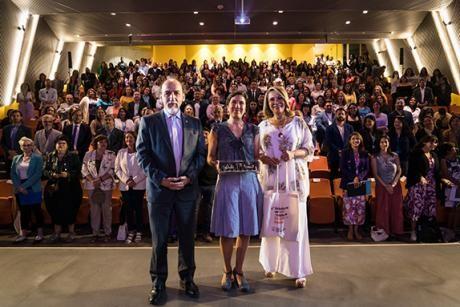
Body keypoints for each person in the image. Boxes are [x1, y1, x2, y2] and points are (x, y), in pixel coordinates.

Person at [136, 78, 206, 305]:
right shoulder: (149, 122)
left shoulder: (195, 123)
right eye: (167, 93)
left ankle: (187, 279)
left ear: (183, 95)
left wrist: (189, 178)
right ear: (160, 97)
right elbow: (143, 156)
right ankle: (158, 283)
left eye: (176, 92)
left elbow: (200, 156)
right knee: (159, 240)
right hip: (160, 191)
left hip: (187, 190)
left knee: (187, 238)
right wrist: (162, 180)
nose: (172, 97)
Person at [258, 86, 314, 288]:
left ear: (286, 99)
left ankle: (298, 270)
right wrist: (263, 157)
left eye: (279, 98)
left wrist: (292, 154)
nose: (275, 102)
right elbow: (257, 152)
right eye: (271, 99)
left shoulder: (298, 123)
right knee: (272, 223)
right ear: (267, 103)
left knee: (294, 225)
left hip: (294, 181)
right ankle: (271, 264)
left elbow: (309, 148)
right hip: (272, 181)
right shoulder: (263, 125)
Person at [207, 91, 262, 292]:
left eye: (241, 103)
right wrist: (216, 163)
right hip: (227, 181)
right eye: (234, 103)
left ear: (245, 107)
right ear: (227, 106)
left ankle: (239, 271)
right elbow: (210, 157)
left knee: (245, 228)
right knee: (228, 229)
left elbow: (257, 155)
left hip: (248, 181)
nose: (237, 106)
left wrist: (263, 158)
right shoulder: (217, 128)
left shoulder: (253, 129)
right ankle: (227, 270)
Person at [43, 136, 82, 243]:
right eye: (59, 143)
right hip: (54, 187)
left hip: (71, 187)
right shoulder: (50, 156)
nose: (61, 145)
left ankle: (71, 233)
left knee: (71, 209)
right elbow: (45, 170)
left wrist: (68, 174)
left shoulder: (73, 156)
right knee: (55, 209)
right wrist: (52, 174)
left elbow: (79, 171)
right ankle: (56, 233)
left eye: (63, 143)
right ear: (55, 145)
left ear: (67, 145)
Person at [81, 135, 116, 243]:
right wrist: (92, 180)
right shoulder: (88, 154)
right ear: (96, 143)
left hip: (106, 186)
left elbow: (113, 170)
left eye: (105, 142)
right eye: (101, 142)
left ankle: (107, 233)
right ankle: (95, 233)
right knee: (94, 210)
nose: (103, 144)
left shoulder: (111, 154)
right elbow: (84, 169)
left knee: (106, 210)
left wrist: (100, 179)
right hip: (92, 186)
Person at [406, 135, 440, 242]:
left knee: (429, 209)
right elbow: (412, 169)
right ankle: (413, 231)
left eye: (436, 143)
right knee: (416, 208)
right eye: (432, 142)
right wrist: (420, 177)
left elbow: (436, 171)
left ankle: (426, 231)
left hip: (431, 185)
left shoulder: (434, 154)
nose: (434, 144)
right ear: (425, 142)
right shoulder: (416, 154)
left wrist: (442, 180)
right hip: (418, 185)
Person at [10, 137, 44, 243]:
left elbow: (37, 174)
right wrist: (19, 187)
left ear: (32, 146)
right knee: (24, 212)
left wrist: (23, 187)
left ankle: (40, 233)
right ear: (21, 147)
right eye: (24, 145)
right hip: (20, 188)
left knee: (37, 211)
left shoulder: (38, 158)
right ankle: (23, 233)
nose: (26, 147)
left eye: (29, 145)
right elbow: (13, 174)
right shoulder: (16, 158)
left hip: (33, 188)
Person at [115, 131, 146, 244]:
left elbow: (145, 168)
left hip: (139, 185)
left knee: (138, 209)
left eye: (131, 137)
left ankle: (139, 231)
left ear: (135, 139)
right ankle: (131, 231)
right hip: (125, 186)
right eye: (127, 138)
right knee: (128, 209)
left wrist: (135, 180)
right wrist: (127, 180)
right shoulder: (121, 152)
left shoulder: (142, 152)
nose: (129, 139)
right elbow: (117, 169)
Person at [371, 135, 404, 239]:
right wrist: (386, 186)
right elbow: (376, 174)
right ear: (379, 144)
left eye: (385, 142)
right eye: (381, 142)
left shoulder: (395, 155)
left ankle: (396, 231)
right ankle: (384, 231)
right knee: (383, 209)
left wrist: (393, 184)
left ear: (389, 143)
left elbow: (399, 171)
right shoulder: (374, 157)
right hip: (381, 186)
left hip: (395, 186)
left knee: (396, 208)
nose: (384, 144)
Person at [340, 132, 369, 241]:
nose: (355, 140)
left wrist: (359, 178)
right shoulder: (345, 152)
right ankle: (350, 230)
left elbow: (367, 169)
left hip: (361, 184)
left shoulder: (365, 153)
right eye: (353, 139)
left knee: (360, 208)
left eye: (357, 139)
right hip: (349, 183)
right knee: (349, 208)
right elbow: (342, 168)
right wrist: (353, 178)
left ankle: (357, 230)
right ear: (350, 141)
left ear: (360, 140)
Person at [196, 128, 218, 243]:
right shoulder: (195, 150)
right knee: (194, 209)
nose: (204, 137)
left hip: (211, 184)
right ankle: (192, 233)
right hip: (197, 184)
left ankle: (206, 233)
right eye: (202, 135)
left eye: (206, 135)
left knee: (208, 210)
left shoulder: (214, 149)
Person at [1, 110, 32, 176]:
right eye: (13, 116)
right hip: (8, 156)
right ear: (10, 117)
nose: (15, 117)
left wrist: (16, 153)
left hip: (21, 156)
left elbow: (29, 143)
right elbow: (3, 143)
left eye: (17, 116)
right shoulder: (6, 128)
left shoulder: (26, 129)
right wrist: (9, 151)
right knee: (9, 176)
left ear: (21, 117)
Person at [324, 108, 354, 178]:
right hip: (334, 156)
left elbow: (352, 141)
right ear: (335, 115)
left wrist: (345, 151)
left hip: (347, 156)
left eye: (342, 114)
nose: (341, 115)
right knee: (335, 177)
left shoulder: (350, 127)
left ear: (345, 115)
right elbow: (328, 142)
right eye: (339, 114)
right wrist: (338, 151)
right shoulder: (329, 128)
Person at [439, 143, 460, 238]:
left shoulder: (458, 159)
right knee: (451, 209)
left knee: (457, 208)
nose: (455, 149)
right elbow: (446, 175)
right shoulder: (444, 160)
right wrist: (457, 183)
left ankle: (454, 230)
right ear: (448, 151)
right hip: (451, 187)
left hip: (458, 187)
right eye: (453, 148)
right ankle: (449, 230)